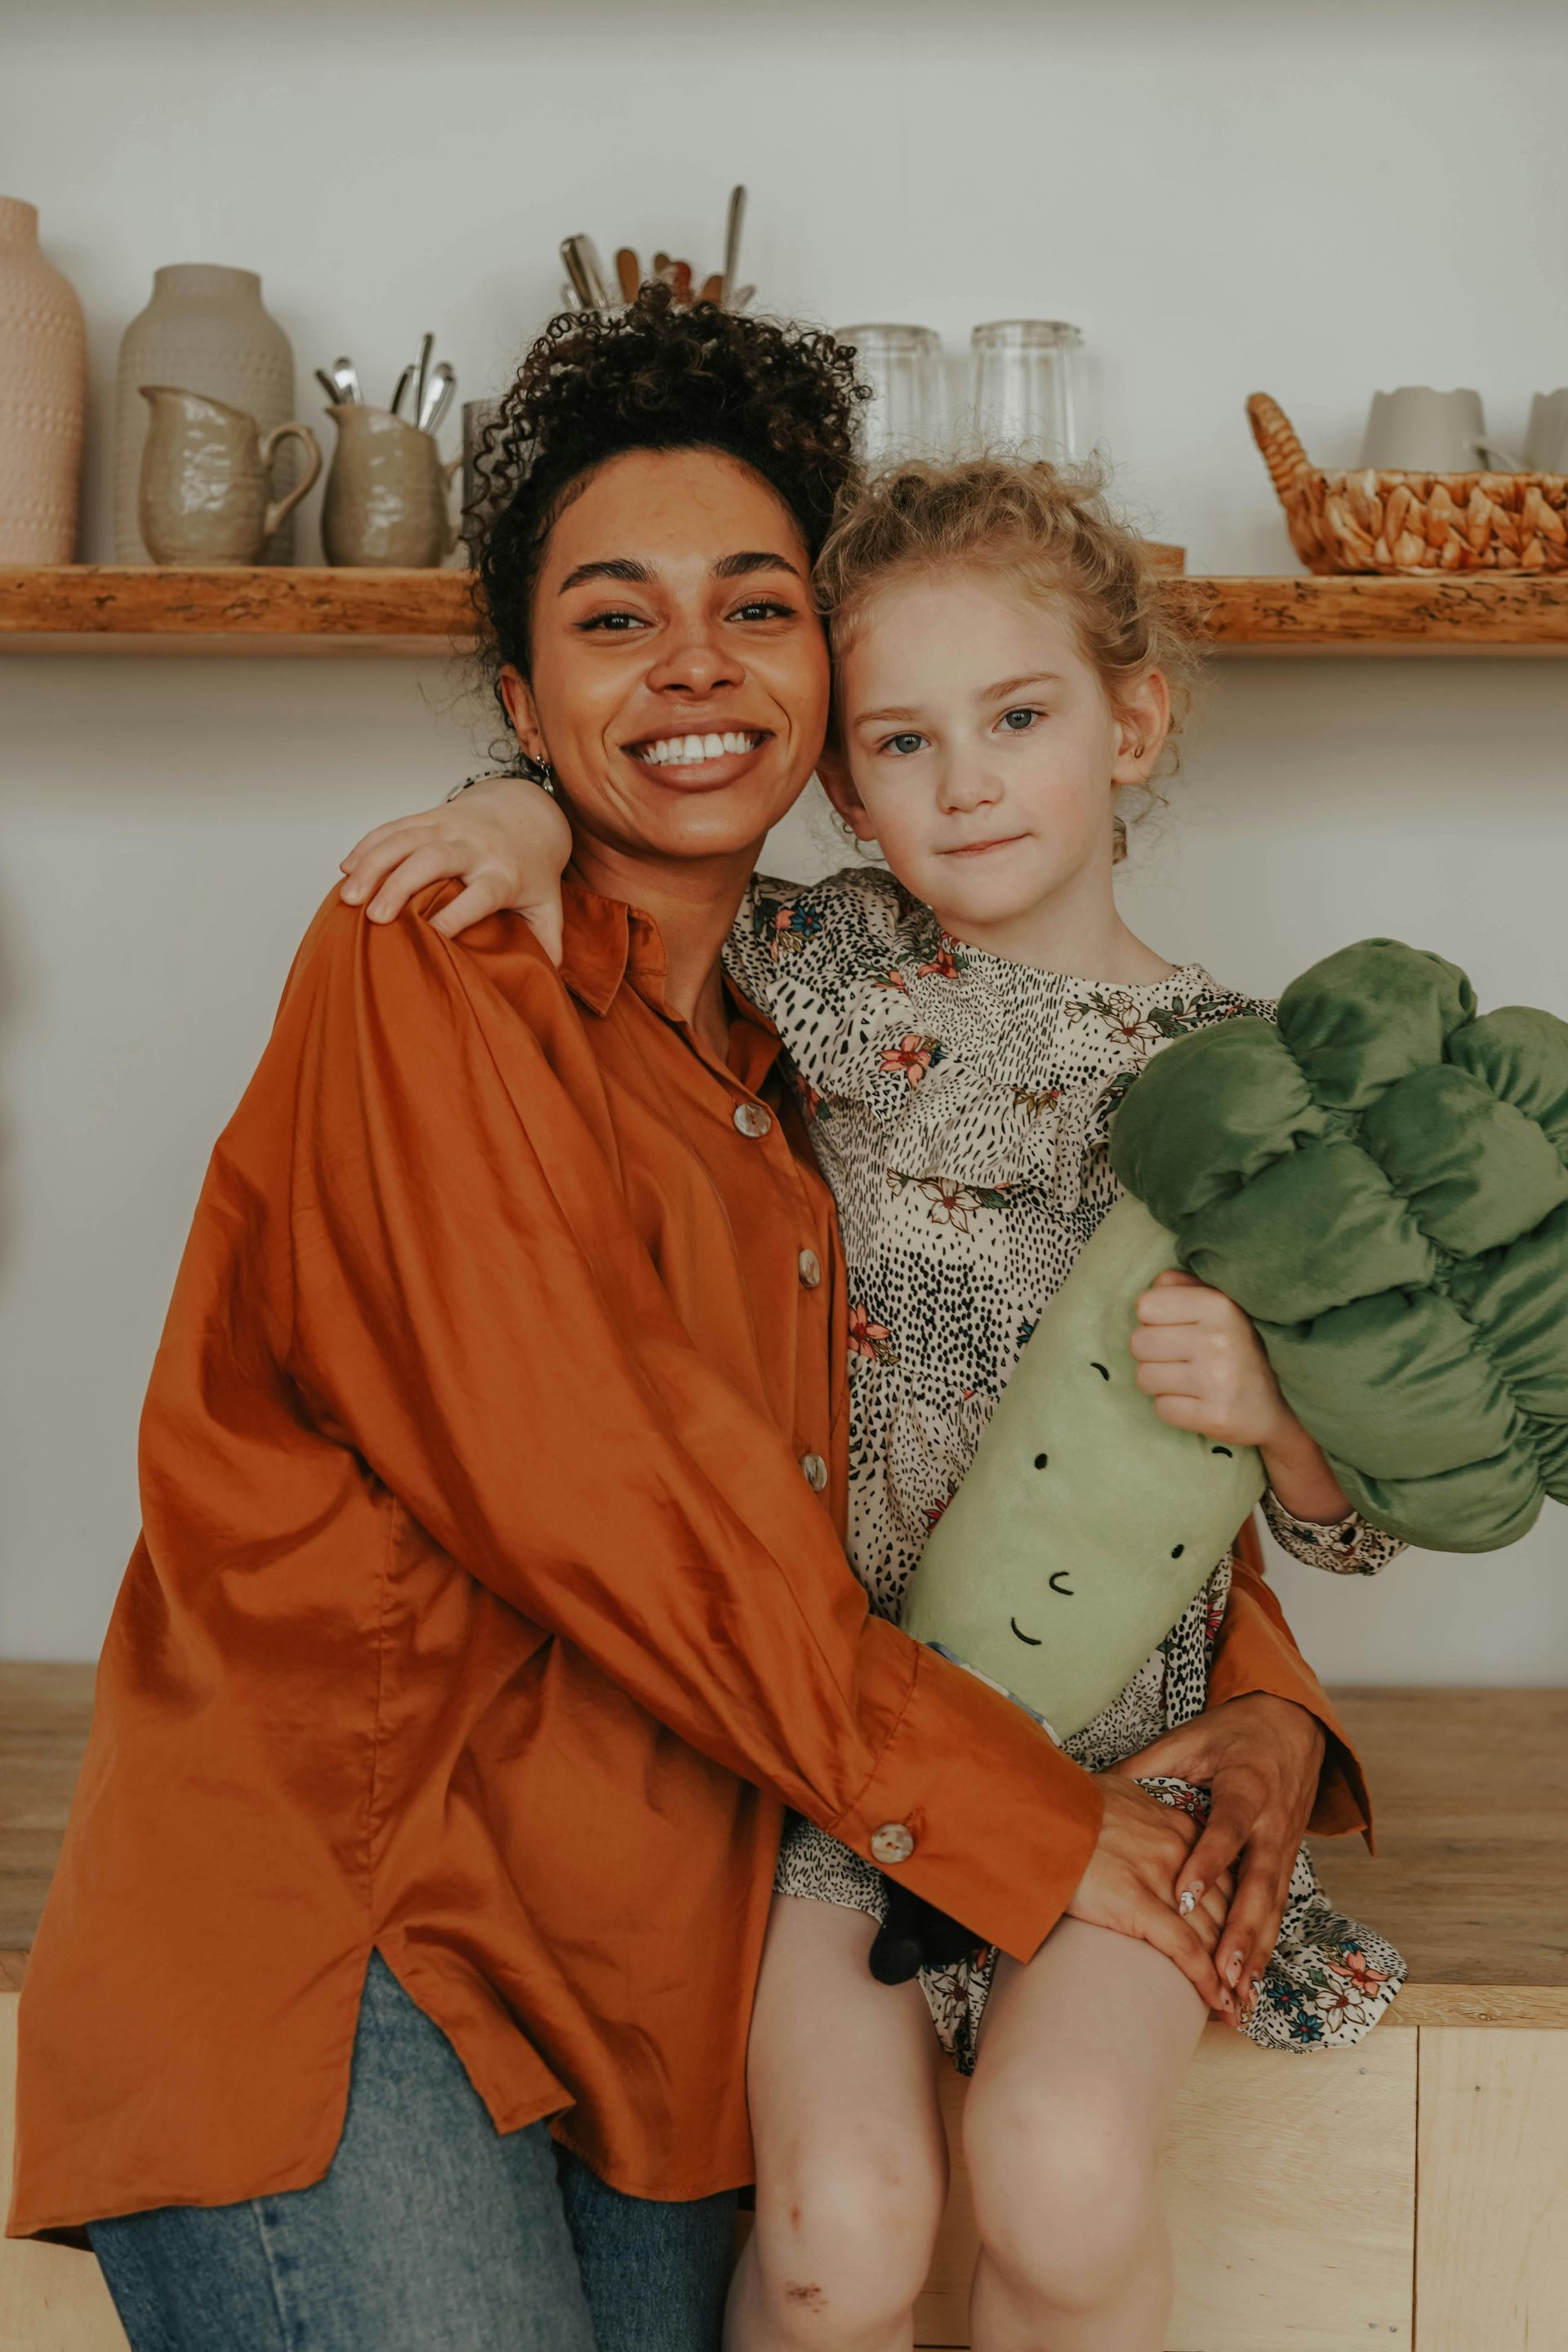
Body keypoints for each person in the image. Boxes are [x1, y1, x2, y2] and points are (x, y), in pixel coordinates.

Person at [12, 293, 1367, 2352]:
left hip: (666, 1977)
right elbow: (609, 1498)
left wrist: (1263, 1701)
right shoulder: (430, 966)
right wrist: (1026, 1819)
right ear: (521, 697)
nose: (696, 667)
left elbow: (1033, 1403)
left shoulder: (839, 1058)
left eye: (756, 604)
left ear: (830, 680)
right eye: (613, 620)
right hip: (363, 1949)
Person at [339, 441, 1402, 2352]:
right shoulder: (818, 970)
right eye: (901, 742)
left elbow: (1355, 1514)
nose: (966, 777)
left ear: (1133, 721)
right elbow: (617, 859)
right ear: (840, 781)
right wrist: (503, 814)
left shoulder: (1250, 1091)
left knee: (1062, 2183)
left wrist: (1275, 1409)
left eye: (1018, 715)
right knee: (839, 2226)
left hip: (1128, 1766)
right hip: (853, 1755)